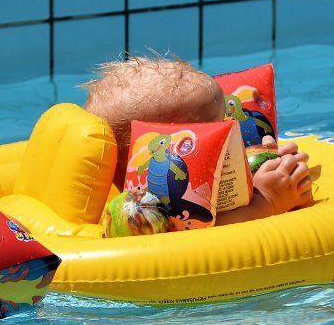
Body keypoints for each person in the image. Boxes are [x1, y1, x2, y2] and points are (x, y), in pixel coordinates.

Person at [83, 55, 312, 222]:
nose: (235, 138)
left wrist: (266, 164)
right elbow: (211, 236)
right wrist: (270, 200)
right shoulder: (142, 218)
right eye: (219, 134)